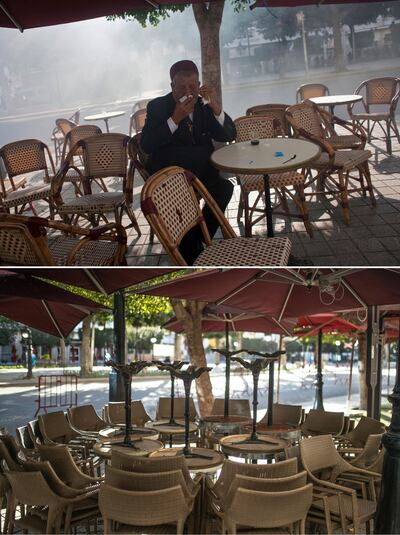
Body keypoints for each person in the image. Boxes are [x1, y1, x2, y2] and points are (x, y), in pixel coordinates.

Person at [141, 60, 236, 264]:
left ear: (199, 85)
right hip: (172, 181)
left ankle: (202, 235)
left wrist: (216, 107)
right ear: (172, 86)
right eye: (181, 87)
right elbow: (147, 144)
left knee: (225, 189)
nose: (188, 91)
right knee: (189, 242)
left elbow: (229, 133)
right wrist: (174, 119)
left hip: (202, 174)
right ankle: (192, 250)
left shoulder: (203, 105)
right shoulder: (158, 107)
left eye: (193, 86)